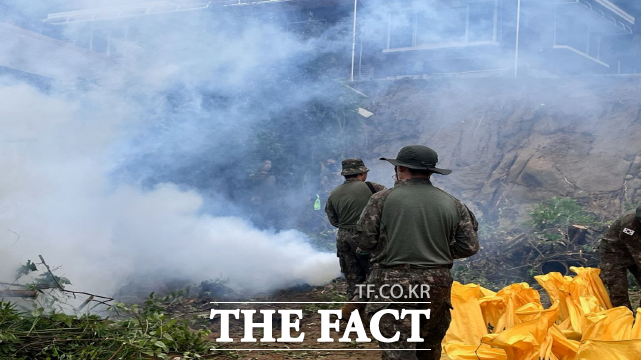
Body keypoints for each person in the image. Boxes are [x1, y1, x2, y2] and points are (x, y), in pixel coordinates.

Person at [356, 145, 479, 360]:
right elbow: (469, 246)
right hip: (437, 283)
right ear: (431, 172)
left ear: (401, 168)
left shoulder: (381, 199)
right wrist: (436, 250)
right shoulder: (453, 203)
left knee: (398, 351)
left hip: (393, 283)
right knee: (428, 348)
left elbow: (366, 241)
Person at [325, 158, 385, 298]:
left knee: (353, 277)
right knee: (374, 274)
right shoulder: (373, 188)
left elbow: (333, 218)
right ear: (362, 173)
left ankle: (353, 309)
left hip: (343, 238)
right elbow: (389, 206)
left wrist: (346, 226)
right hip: (367, 236)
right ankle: (373, 310)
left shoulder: (334, 192)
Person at [599, 205, 641, 310]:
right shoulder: (629, 224)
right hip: (613, 254)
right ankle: (626, 321)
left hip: (635, 252)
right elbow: (638, 252)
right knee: (618, 291)